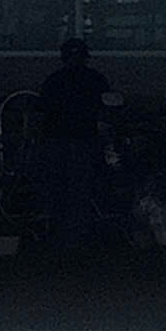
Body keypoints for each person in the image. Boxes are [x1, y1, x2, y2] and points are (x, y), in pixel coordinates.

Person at [35, 37, 119, 249]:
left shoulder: (55, 80)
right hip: (79, 142)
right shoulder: (93, 79)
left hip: (62, 142)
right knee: (78, 190)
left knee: (62, 189)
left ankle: (61, 235)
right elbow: (107, 110)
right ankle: (74, 236)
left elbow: (41, 111)